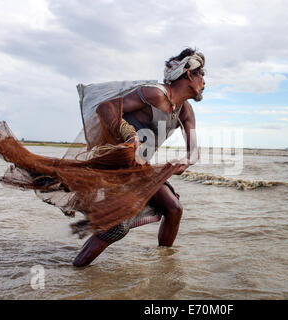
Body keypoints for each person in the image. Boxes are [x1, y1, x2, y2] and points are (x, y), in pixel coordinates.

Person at [72, 48, 205, 267]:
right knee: (117, 227)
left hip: (140, 168)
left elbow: (194, 151)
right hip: (117, 166)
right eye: (201, 75)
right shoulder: (154, 94)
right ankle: (76, 271)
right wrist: (129, 134)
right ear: (189, 74)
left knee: (174, 209)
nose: (204, 82)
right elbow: (107, 108)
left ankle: (165, 265)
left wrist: (186, 160)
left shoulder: (185, 111)